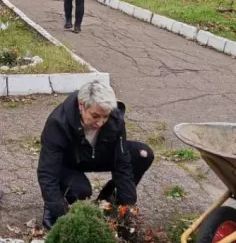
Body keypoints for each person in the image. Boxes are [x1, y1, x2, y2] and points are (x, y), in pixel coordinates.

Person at [37, 81, 154, 229]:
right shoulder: (58, 123)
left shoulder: (115, 120)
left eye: (105, 116)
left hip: (97, 155)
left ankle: (110, 201)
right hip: (69, 162)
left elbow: (122, 163)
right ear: (81, 105)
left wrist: (128, 205)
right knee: (81, 191)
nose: (100, 123)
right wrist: (57, 211)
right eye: (95, 116)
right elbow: (47, 172)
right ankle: (57, 203)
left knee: (143, 154)